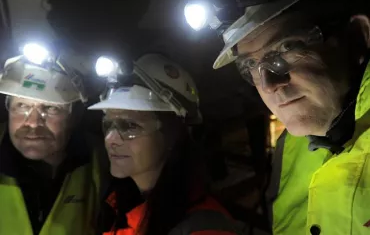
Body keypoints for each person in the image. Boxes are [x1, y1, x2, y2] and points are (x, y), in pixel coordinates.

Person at [206, 0, 370, 235]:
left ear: (358, 38)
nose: (268, 85)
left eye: (286, 48)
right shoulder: (292, 147)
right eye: (250, 68)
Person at [89, 53, 246, 235]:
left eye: (130, 126)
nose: (111, 139)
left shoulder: (205, 229)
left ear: (174, 134)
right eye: (108, 125)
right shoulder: (120, 208)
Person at [0, 44, 100, 234]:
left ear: (75, 116)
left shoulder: (104, 162)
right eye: (21, 105)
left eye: (51, 108)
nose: (33, 122)